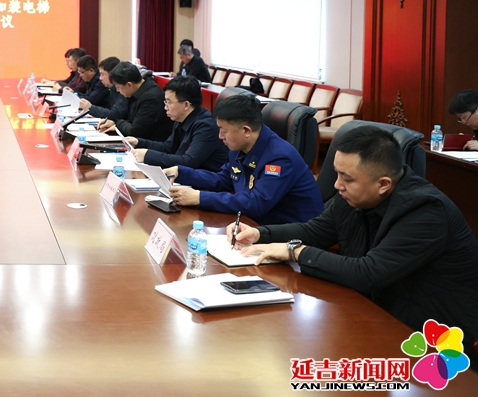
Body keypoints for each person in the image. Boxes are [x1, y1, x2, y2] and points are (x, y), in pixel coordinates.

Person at [233, 126, 478, 364]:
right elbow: (315, 231)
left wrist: (295, 251)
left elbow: (368, 273)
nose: (337, 185)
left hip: (434, 340)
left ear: (383, 184)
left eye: (346, 178)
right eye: (337, 173)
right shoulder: (355, 196)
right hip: (378, 313)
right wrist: (260, 233)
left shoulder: (426, 211)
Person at [165, 93, 323, 224]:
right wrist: (181, 172)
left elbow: (257, 203)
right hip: (256, 222)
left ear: (246, 130)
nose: (220, 136)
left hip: (292, 233)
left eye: (224, 131)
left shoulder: (280, 158)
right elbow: (223, 180)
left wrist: (200, 198)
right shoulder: (239, 146)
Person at [128, 75, 229, 171]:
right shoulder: (181, 118)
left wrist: (148, 155)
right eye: (165, 102)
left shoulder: (206, 126)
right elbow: (168, 147)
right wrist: (139, 142)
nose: (165, 107)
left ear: (186, 105)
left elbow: (189, 162)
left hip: (206, 179)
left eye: (169, 102)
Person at [97, 62, 171, 141]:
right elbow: (132, 121)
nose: (117, 90)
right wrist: (114, 122)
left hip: (151, 144)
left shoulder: (151, 98)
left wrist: (117, 123)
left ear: (129, 85)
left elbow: (135, 131)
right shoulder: (136, 92)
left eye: (118, 87)